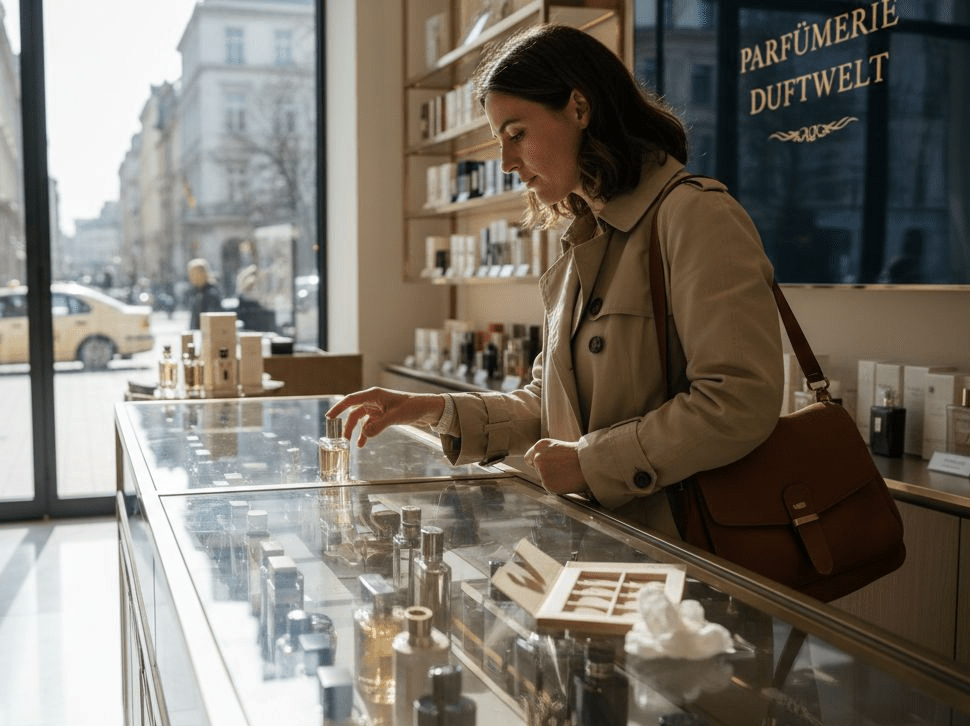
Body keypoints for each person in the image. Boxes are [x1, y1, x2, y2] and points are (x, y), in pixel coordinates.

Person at [327, 24, 783, 537]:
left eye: (517, 134)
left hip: (686, 560)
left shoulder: (694, 215)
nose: (506, 163)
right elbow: (547, 404)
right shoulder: (584, 239)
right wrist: (432, 409)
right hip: (602, 546)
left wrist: (591, 464)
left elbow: (740, 400)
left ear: (579, 109)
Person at [185, 257, 223, 330]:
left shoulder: (211, 292)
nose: (190, 277)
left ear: (202, 274)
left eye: (193, 273)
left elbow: (213, 320)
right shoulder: (197, 291)